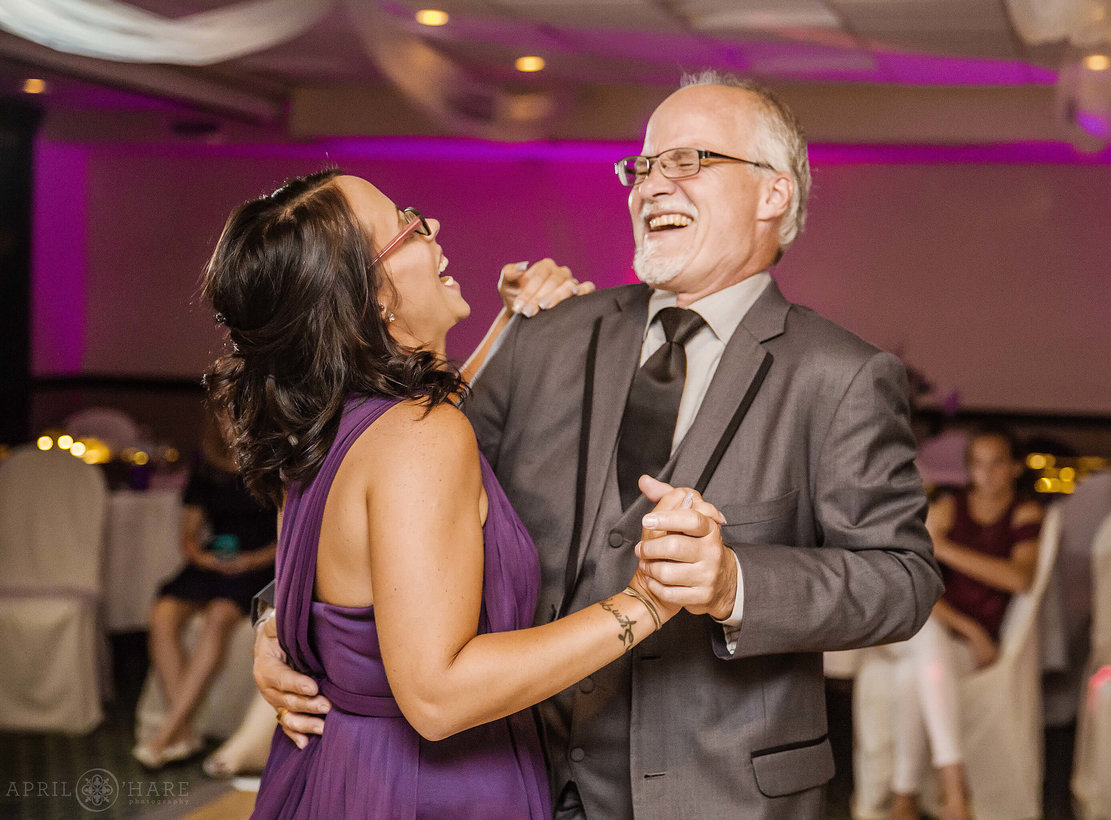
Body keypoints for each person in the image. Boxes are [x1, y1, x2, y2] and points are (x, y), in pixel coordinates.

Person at [257, 71, 943, 819]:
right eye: (643, 167)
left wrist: (734, 584)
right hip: (512, 772)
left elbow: (902, 577)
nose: (651, 185)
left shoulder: (840, 375)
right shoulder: (547, 331)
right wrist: (283, 623)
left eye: (689, 162)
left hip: (720, 794)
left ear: (773, 194)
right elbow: (382, 496)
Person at [201, 168, 721, 818]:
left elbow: (348, 565)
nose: (433, 227)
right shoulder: (421, 436)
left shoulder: (324, 422)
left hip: (339, 769)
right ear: (373, 297)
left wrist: (510, 323)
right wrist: (645, 603)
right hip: (426, 787)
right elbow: (439, 695)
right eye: (409, 226)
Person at [881, 426, 1042, 820]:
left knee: (913, 675)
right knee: (928, 638)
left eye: (997, 463)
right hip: (938, 626)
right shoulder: (950, 508)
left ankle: (905, 797)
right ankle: (956, 794)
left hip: (959, 647)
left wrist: (946, 547)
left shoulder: (1024, 512)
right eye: (978, 464)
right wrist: (970, 629)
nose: (986, 473)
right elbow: (918, 588)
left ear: (1015, 467)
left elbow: (1020, 579)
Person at [134, 410, 277, 769]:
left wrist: (250, 561)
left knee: (218, 617)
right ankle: (183, 731)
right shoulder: (206, 469)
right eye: (228, 418)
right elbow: (189, 534)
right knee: (162, 613)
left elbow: (289, 536)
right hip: (215, 561)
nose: (234, 425)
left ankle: (167, 732)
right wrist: (204, 558)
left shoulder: (274, 467)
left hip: (258, 565)